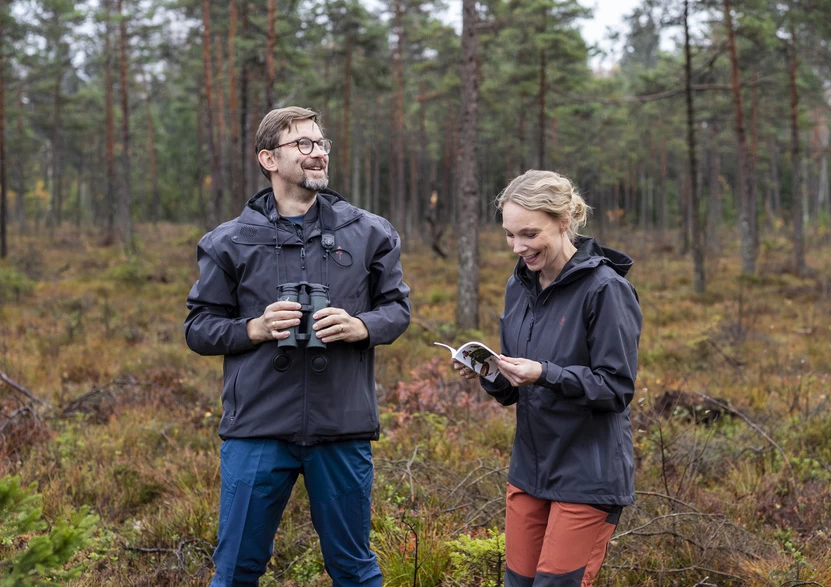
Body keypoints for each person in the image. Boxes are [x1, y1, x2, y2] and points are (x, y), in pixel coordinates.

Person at [185, 106, 411, 587]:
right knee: (236, 570)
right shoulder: (229, 241)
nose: (317, 153)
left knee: (354, 569)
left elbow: (398, 311)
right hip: (257, 427)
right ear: (268, 158)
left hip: (342, 426)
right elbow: (199, 328)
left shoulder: (369, 232)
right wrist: (254, 329)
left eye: (321, 143)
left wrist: (361, 326)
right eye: (303, 144)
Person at [454, 169, 642, 587]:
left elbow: (616, 388)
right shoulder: (518, 287)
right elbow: (511, 391)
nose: (518, 247)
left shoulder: (605, 289)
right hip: (530, 469)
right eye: (509, 235)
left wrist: (545, 374)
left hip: (588, 475)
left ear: (563, 221)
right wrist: (486, 370)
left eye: (529, 233)